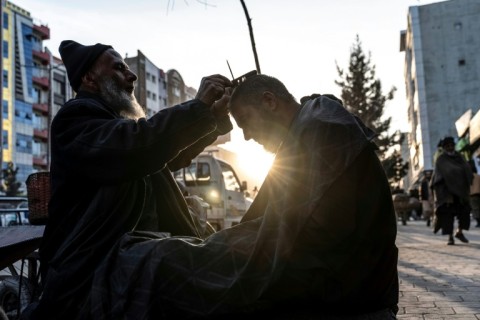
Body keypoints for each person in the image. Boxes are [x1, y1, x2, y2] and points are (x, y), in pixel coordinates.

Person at [91, 74, 398, 319]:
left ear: (269, 101)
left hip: (345, 280)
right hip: (333, 270)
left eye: (246, 122)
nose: (248, 136)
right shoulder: (306, 131)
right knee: (165, 256)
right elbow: (281, 222)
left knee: (164, 263)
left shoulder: (322, 127)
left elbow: (308, 232)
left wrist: (228, 248)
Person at [27, 40, 233, 319]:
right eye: (119, 68)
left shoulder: (116, 127)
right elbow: (137, 146)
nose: (132, 75)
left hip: (134, 247)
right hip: (93, 263)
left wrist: (212, 118)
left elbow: (162, 159)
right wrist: (197, 107)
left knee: (223, 254)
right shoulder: (74, 120)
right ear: (89, 78)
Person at [431, 136, 473, 245]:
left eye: (452, 145)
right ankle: (450, 237)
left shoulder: (460, 157)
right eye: (448, 146)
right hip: (447, 192)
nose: (450, 148)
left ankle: (459, 232)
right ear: (444, 147)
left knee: (464, 212)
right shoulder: (441, 159)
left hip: (461, 191)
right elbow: (441, 174)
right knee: (448, 216)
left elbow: (467, 169)